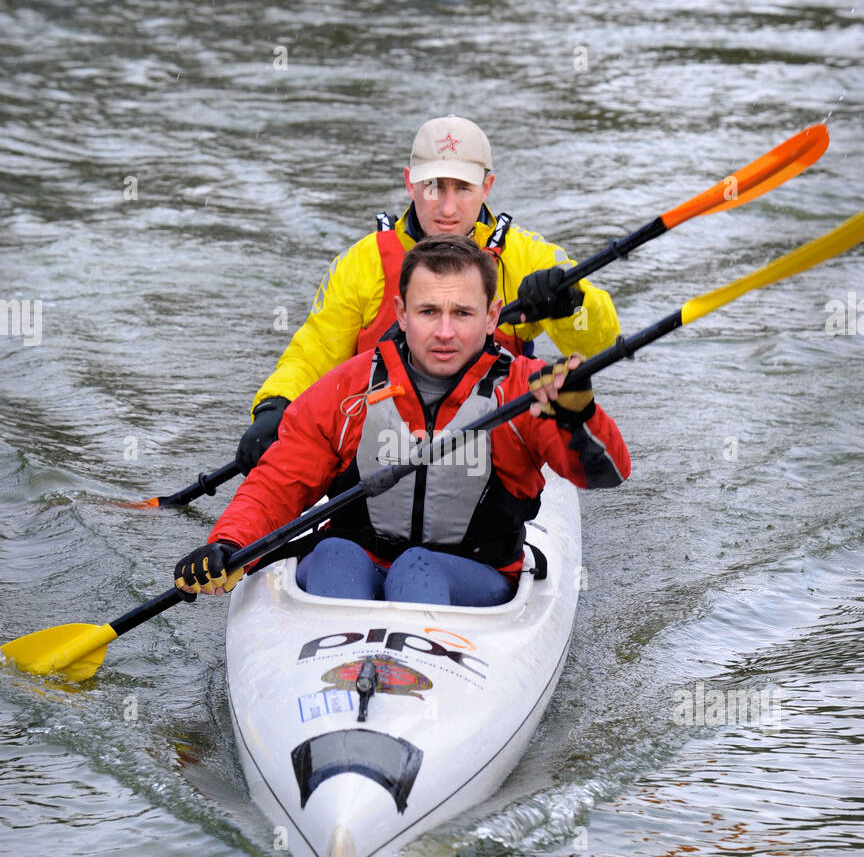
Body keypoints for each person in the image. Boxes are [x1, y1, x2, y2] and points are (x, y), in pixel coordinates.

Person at [176, 235, 629, 608]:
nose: (445, 332)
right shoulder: (348, 390)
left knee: (417, 566)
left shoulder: (524, 391)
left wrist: (577, 413)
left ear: (492, 317)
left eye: (463, 313)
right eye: (429, 312)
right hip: (356, 565)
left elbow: (606, 474)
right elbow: (279, 482)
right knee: (333, 552)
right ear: (400, 314)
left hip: (475, 581)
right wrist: (230, 545)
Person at [235, 115, 622, 473]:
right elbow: (314, 351)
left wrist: (571, 305)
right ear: (410, 183)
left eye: (463, 188)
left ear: (487, 186)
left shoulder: (527, 257)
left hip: (486, 449)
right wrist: (276, 404)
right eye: (434, 187)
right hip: (379, 442)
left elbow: (602, 344)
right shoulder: (362, 262)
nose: (448, 208)